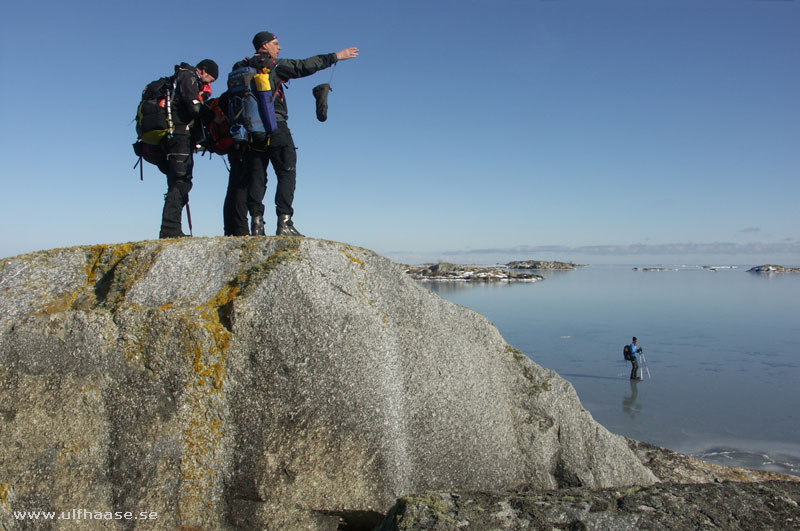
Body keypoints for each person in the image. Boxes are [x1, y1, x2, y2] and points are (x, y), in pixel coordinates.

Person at [222, 31, 359, 237]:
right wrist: (336, 56)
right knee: (286, 172)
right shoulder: (272, 65)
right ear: (265, 45)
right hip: (275, 127)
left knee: (257, 176)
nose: (279, 48)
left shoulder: (239, 70)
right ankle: (284, 222)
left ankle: (257, 225)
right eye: (276, 44)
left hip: (250, 133)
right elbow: (303, 66)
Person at [158, 59, 219, 238]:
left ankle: (172, 228)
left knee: (180, 180)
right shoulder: (188, 76)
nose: (208, 84)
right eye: (209, 79)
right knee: (180, 180)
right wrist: (212, 116)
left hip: (175, 136)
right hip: (179, 135)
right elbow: (193, 107)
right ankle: (170, 229)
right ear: (202, 70)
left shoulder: (181, 77)